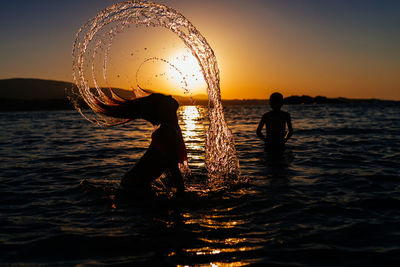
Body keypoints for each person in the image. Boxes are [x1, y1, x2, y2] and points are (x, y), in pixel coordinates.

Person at [94, 93, 187, 195]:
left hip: (134, 184)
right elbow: (173, 168)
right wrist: (182, 196)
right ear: (162, 110)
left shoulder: (171, 128)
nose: (169, 96)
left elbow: (168, 166)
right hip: (133, 186)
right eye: (163, 97)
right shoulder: (167, 132)